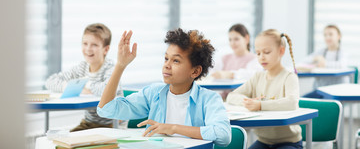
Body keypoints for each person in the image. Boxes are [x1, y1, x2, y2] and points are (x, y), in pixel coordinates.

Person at [97, 29, 231, 147]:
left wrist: (173, 128)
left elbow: (223, 135)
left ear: (195, 71)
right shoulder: (154, 93)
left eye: (176, 60)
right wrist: (120, 65)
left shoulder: (209, 99)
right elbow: (105, 109)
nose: (167, 65)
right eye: (166, 58)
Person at [226, 29, 302, 149]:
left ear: (281, 51)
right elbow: (231, 96)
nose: (262, 57)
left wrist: (260, 105)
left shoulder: (289, 77)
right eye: (258, 53)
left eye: (266, 52)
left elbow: (292, 103)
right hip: (263, 142)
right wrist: (247, 102)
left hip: (288, 142)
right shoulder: (257, 77)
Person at [46, 23, 122, 131]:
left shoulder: (111, 69)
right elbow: (51, 81)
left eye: (94, 45)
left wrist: (86, 85)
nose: (88, 49)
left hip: (112, 125)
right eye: (85, 43)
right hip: (89, 124)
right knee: (63, 144)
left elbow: (106, 89)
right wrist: (69, 86)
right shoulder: (82, 67)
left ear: (106, 49)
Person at [302, 24, 349, 98]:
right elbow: (304, 61)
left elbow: (341, 65)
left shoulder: (343, 52)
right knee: (302, 101)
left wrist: (324, 64)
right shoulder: (321, 52)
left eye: (331, 34)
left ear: (339, 36)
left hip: (337, 92)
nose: (327, 37)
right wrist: (316, 58)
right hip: (320, 90)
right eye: (325, 35)